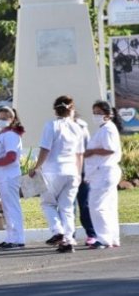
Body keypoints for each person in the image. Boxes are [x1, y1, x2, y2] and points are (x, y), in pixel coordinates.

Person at [29, 95, 84, 253]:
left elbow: (45, 148)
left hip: (53, 171)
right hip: (72, 171)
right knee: (67, 208)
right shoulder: (77, 128)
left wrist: (36, 167)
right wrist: (79, 174)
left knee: (48, 204)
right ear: (71, 109)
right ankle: (68, 240)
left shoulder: (51, 125)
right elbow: (79, 154)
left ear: (55, 110)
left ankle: (58, 232)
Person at [84, 101, 123, 249]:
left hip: (104, 172)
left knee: (97, 206)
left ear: (108, 114)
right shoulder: (105, 129)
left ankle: (104, 238)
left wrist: (91, 152)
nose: (96, 116)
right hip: (104, 172)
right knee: (108, 206)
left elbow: (110, 149)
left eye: (99, 112)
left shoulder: (107, 129)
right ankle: (112, 238)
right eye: (94, 112)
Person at [0, 106, 26, 250]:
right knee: (8, 208)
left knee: (12, 208)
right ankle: (11, 237)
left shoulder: (10, 135)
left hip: (9, 176)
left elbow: (11, 157)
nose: (1, 120)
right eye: (0, 117)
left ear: (12, 119)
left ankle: (17, 239)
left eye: (5, 118)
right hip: (3, 177)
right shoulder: (4, 134)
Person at [73, 112, 97, 245]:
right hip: (68, 173)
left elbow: (87, 152)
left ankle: (92, 233)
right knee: (68, 207)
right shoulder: (61, 128)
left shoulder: (82, 129)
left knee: (84, 205)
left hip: (82, 172)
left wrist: (87, 172)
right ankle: (69, 236)